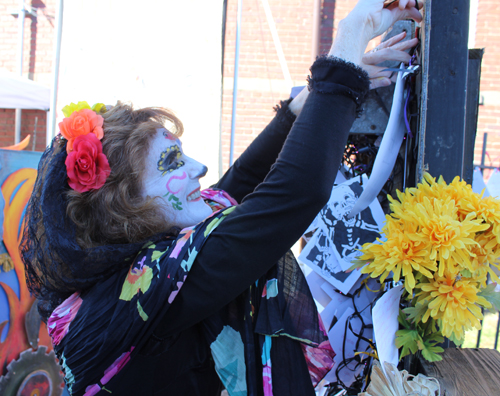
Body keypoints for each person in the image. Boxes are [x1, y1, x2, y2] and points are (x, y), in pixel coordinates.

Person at [21, 1, 422, 395]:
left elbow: (237, 184)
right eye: (172, 162)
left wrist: (307, 102)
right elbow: (290, 197)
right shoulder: (148, 290)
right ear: (126, 204)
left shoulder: (143, 264)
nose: (198, 168)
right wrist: (351, 36)